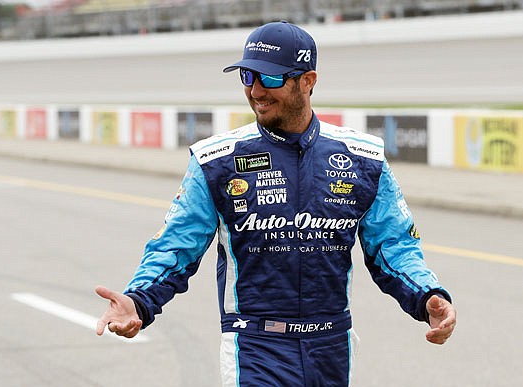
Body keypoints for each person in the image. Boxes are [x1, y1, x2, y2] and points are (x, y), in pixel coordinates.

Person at [95, 20, 456, 386]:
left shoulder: (363, 158)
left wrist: (427, 296)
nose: (255, 91)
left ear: (308, 81)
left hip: (331, 346)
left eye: (269, 79)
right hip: (255, 347)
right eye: (247, 76)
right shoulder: (217, 161)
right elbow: (176, 246)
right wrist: (139, 300)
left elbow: (393, 246)